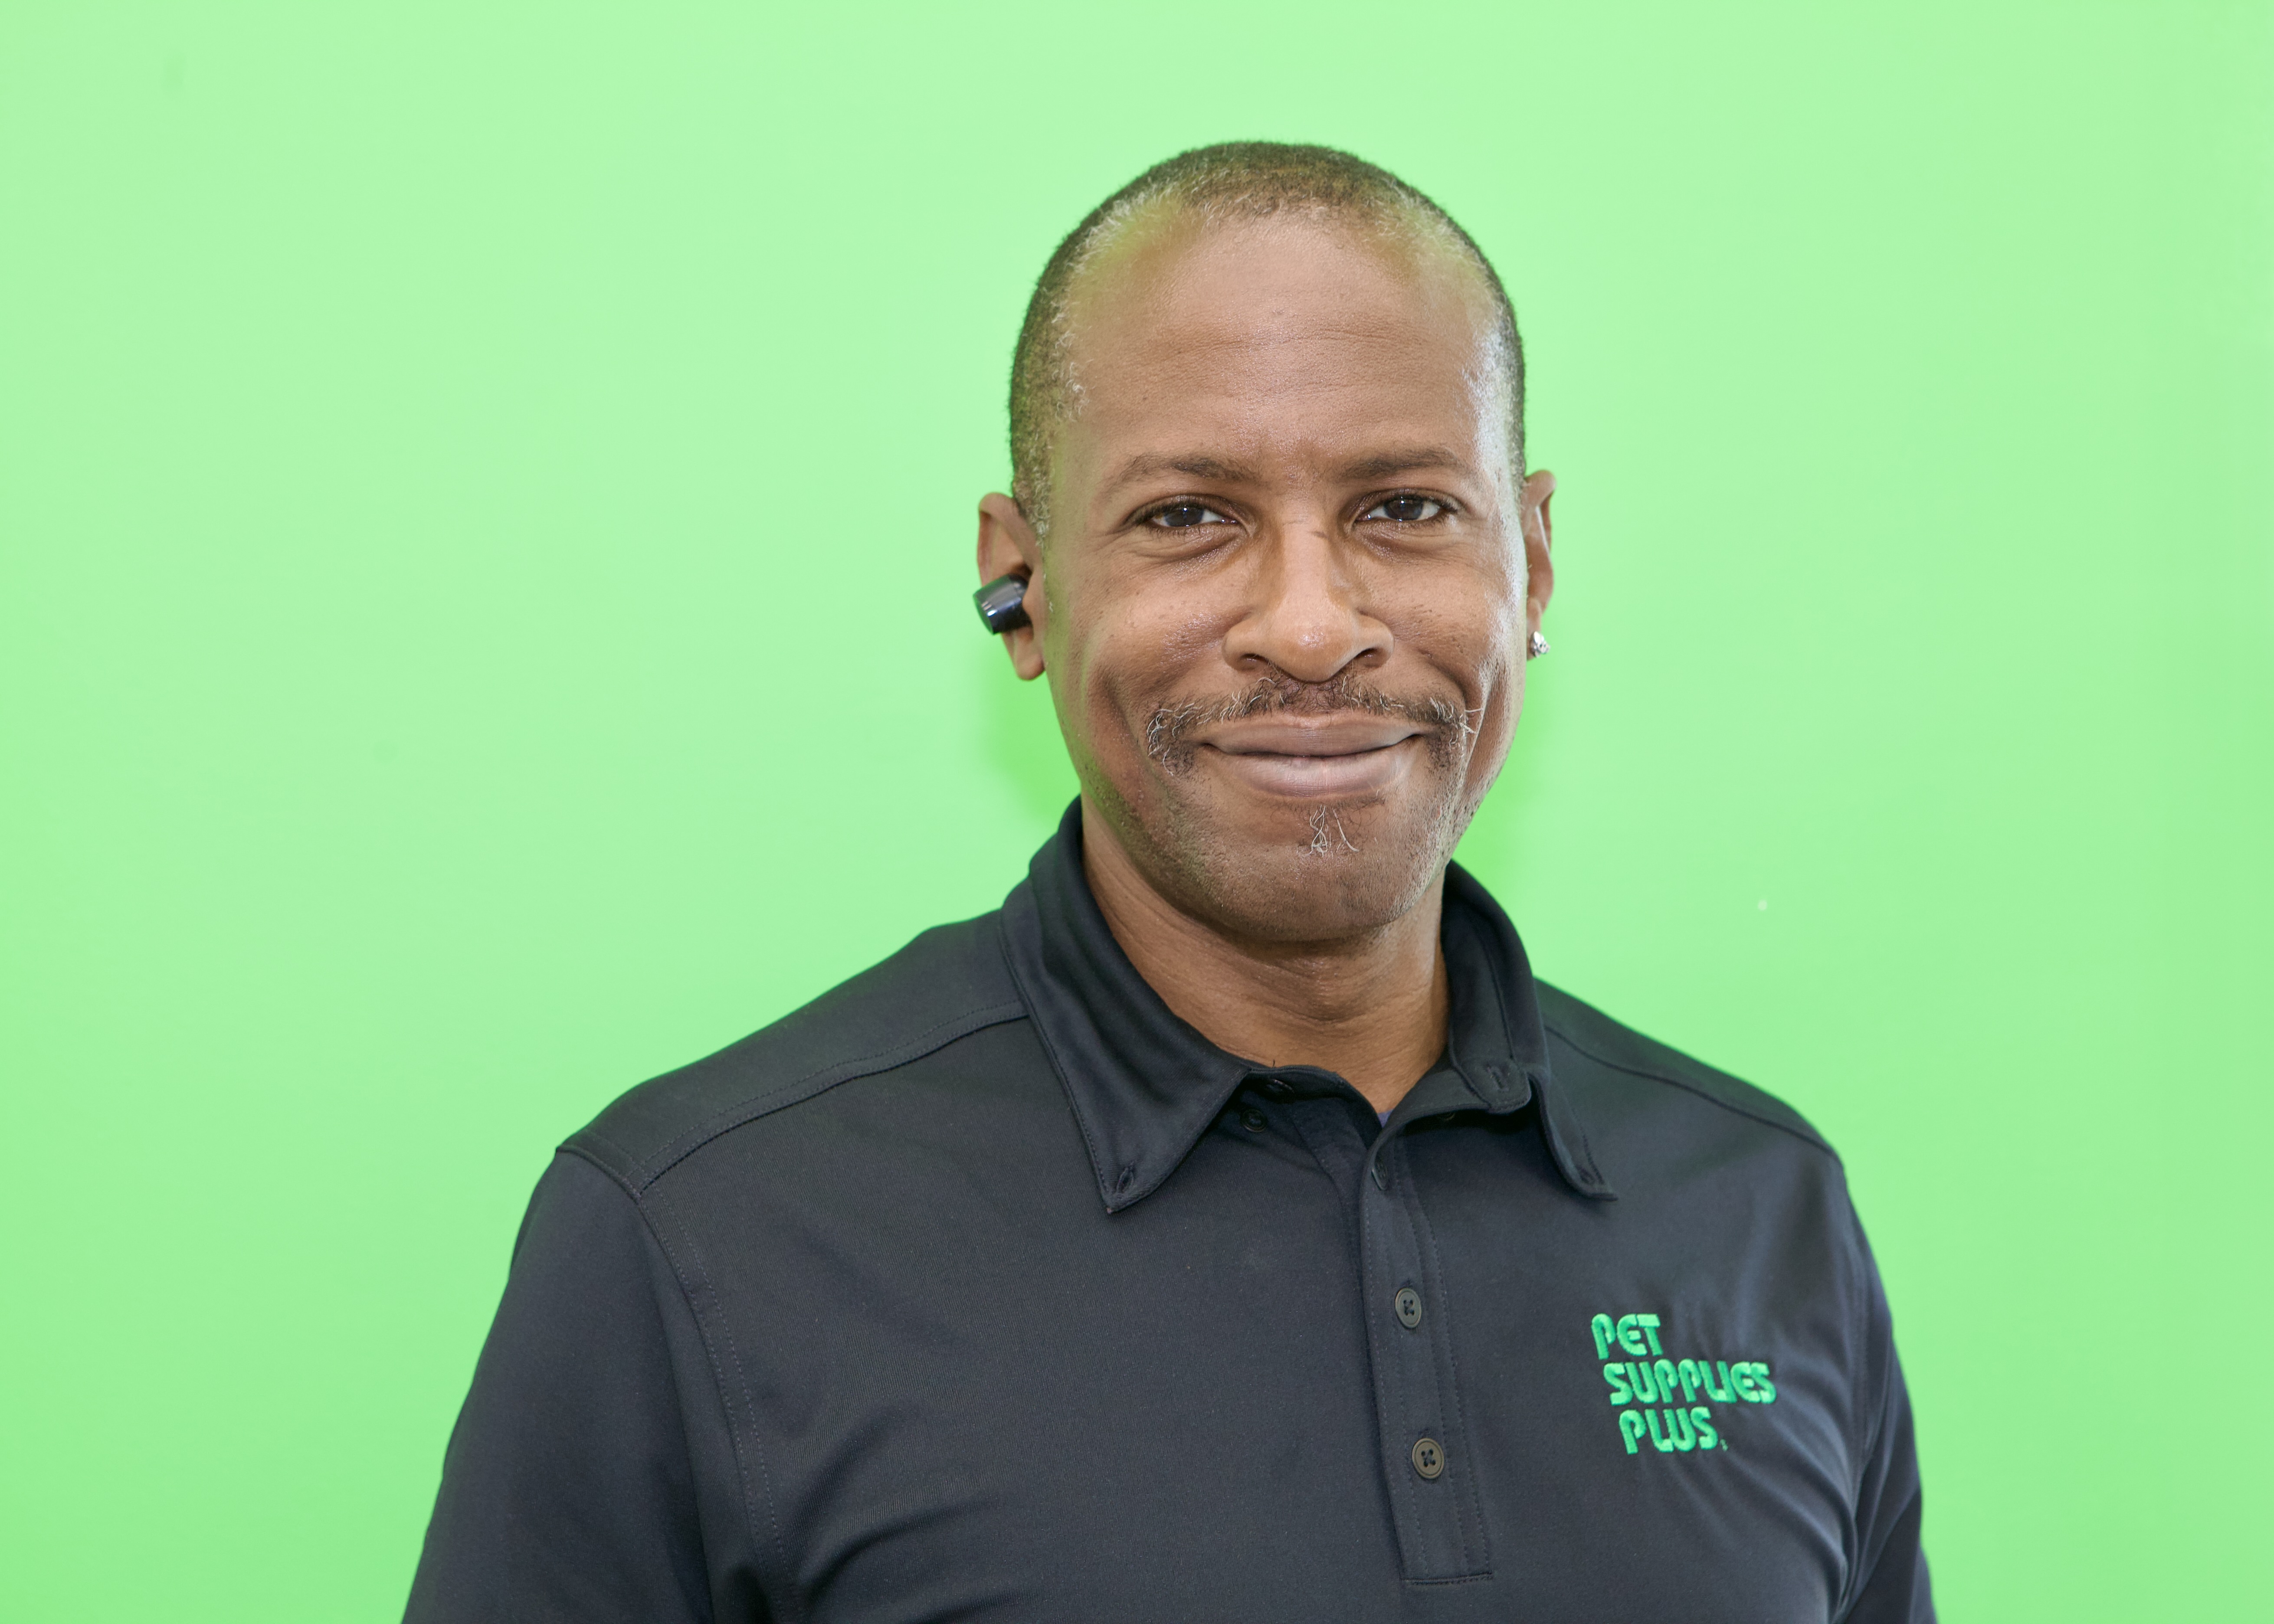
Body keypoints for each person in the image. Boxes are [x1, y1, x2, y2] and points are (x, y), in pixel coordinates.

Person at [406, 142, 1930, 1623]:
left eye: (1404, 507)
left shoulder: (1758, 1206)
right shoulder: (700, 1233)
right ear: (1021, 585)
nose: (1310, 625)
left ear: (1528, 562)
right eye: (1187, 517)